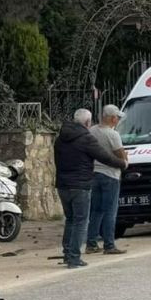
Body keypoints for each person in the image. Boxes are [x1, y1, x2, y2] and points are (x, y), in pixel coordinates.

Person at [55, 108, 128, 267]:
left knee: (71, 220)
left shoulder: (60, 139)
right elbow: (105, 157)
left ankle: (67, 254)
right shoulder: (86, 138)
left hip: (62, 185)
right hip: (80, 184)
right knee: (81, 221)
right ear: (87, 122)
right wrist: (123, 164)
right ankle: (74, 257)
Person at [85, 105, 129, 255]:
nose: (117, 120)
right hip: (110, 175)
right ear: (112, 118)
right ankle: (109, 245)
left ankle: (91, 243)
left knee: (96, 210)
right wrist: (125, 160)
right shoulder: (113, 134)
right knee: (110, 211)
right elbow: (120, 155)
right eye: (117, 117)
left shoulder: (92, 131)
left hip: (94, 174)